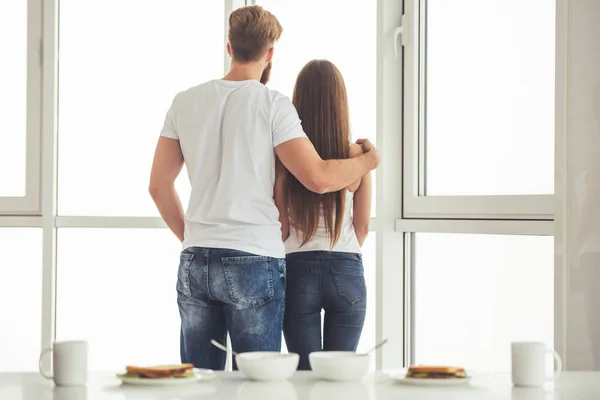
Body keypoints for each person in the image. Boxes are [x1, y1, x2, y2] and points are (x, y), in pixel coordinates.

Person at [149, 7, 379, 371]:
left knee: (198, 382)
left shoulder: (184, 101)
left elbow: (159, 187)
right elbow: (318, 177)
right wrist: (367, 162)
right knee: (257, 384)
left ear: (229, 46)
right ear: (270, 53)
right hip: (253, 259)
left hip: (195, 258)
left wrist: (192, 237)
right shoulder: (273, 106)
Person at [275, 60, 372, 370]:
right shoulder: (357, 156)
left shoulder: (286, 156)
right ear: (339, 103)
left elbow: (282, 226)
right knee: (337, 378)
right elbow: (362, 228)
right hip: (345, 267)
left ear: (298, 102)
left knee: (304, 377)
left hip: (297, 268)